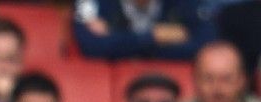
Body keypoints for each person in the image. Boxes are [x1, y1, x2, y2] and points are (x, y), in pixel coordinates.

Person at [74, 0, 209, 60]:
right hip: (105, 83)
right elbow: (91, 47)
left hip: (166, 79)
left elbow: (206, 47)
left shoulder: (186, 3)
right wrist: (154, 37)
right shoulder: (91, 2)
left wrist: (117, 41)